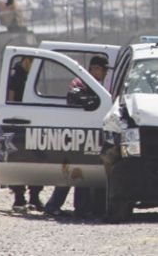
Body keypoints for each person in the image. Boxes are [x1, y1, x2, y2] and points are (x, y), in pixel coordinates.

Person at [44, 56, 108, 217]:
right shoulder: (79, 84)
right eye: (101, 69)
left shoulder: (94, 85)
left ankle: (81, 208)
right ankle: (54, 206)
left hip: (84, 134)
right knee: (71, 173)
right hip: (75, 133)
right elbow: (80, 101)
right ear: (93, 69)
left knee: (81, 173)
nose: (104, 73)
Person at [6, 56, 44, 211]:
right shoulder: (16, 77)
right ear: (26, 61)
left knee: (35, 159)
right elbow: (11, 100)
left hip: (30, 122)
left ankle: (34, 196)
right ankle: (19, 197)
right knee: (18, 160)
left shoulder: (28, 76)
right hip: (19, 123)